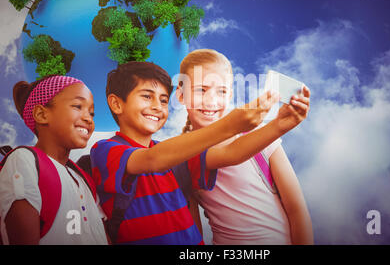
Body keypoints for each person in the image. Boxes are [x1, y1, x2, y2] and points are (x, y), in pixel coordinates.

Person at [90, 61, 306, 245]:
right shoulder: (107, 150)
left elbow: (232, 153)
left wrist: (279, 126)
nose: (157, 106)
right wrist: (230, 125)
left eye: (164, 100)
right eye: (147, 96)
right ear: (116, 104)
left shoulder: (177, 153)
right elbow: (152, 160)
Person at [176, 49, 314, 245]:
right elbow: (193, 232)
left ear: (230, 94)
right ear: (181, 95)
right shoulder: (181, 154)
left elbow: (297, 209)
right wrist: (278, 126)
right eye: (201, 90)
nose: (211, 101)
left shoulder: (260, 137)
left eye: (221, 91)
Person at [0, 75, 108, 245]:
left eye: (91, 113)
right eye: (78, 106)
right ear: (41, 114)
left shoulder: (84, 179)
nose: (89, 119)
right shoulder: (24, 160)